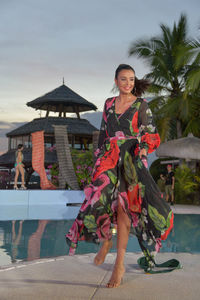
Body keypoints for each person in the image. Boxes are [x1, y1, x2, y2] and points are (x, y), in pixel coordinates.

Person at [65, 64, 174, 288]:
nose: (128, 83)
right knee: (99, 199)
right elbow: (104, 133)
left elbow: (151, 133)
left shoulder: (141, 105)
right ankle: (105, 241)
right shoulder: (108, 104)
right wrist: (98, 157)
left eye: (131, 79)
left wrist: (143, 149)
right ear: (116, 81)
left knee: (125, 208)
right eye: (123, 79)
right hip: (109, 157)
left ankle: (119, 263)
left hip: (131, 158)